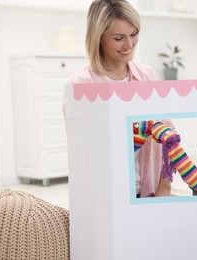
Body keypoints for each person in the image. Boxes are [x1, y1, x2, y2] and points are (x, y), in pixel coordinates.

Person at [64, 0, 171, 197]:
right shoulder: (80, 85)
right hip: (105, 195)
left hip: (148, 192)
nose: (129, 45)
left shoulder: (146, 75)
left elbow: (168, 136)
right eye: (118, 38)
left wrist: (165, 187)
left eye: (134, 34)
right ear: (99, 37)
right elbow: (81, 153)